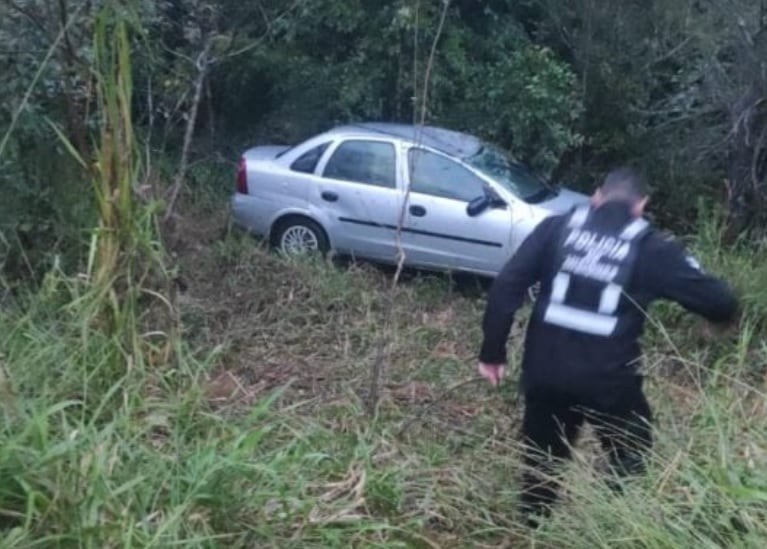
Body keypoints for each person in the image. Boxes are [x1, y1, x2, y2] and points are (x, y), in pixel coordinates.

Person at [476, 167, 739, 526]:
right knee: (631, 450)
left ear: (597, 195)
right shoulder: (652, 248)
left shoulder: (555, 229)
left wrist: (493, 351)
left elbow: (506, 286)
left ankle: (532, 527)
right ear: (641, 205)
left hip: (545, 370)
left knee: (543, 458)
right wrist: (714, 321)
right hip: (609, 382)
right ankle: (611, 525)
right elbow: (719, 300)